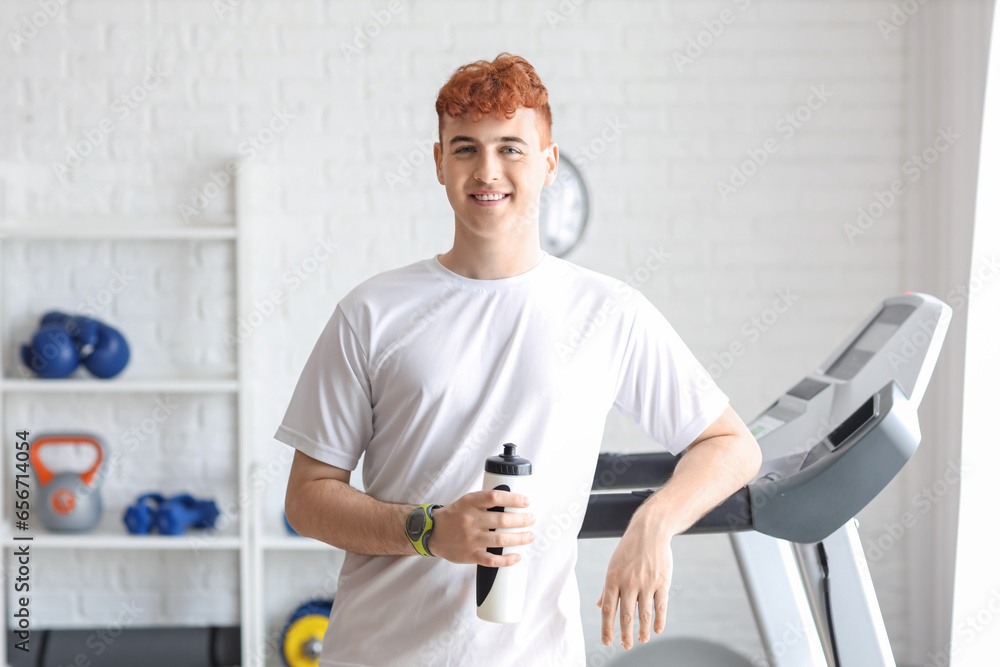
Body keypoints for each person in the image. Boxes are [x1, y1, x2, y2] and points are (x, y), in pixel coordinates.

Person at [276, 52, 762, 667]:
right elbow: (307, 497)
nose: (488, 170)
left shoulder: (607, 311)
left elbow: (731, 445)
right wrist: (428, 530)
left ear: (548, 163)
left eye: (511, 147)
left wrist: (654, 522)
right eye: (465, 148)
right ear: (438, 162)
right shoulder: (372, 312)